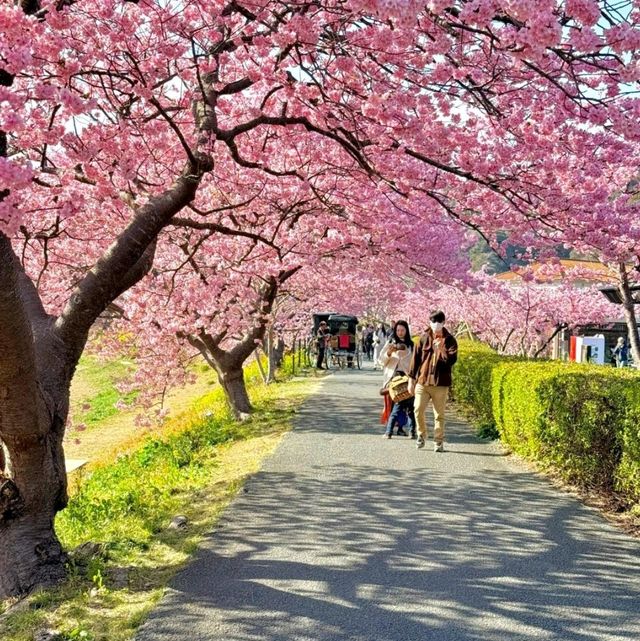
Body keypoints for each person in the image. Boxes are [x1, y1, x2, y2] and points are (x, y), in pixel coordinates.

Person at [408, 310, 458, 452]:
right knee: (417, 409)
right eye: (433, 321)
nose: (436, 324)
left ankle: (438, 441)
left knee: (439, 414)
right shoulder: (423, 338)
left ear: (443, 323)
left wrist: (442, 349)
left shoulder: (450, 340)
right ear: (429, 322)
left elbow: (452, 360)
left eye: (439, 321)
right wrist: (411, 380)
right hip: (423, 382)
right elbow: (415, 360)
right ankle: (421, 435)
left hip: (440, 383)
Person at [380, 320, 416, 439]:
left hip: (407, 377)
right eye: (398, 330)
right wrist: (389, 354)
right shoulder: (390, 343)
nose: (400, 332)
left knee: (408, 405)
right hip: (393, 377)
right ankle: (397, 429)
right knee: (395, 403)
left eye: (402, 330)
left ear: (406, 331)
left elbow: (415, 362)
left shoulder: (411, 345)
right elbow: (382, 361)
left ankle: (399, 429)